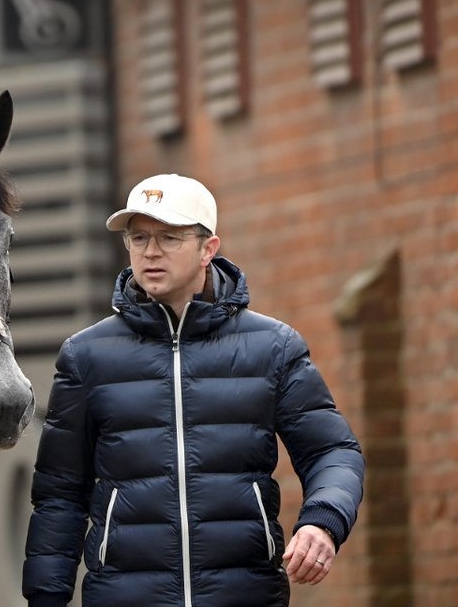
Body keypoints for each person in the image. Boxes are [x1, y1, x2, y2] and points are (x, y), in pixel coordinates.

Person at [22, 174, 365, 607]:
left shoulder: (273, 348)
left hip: (244, 593)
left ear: (208, 249)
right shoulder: (86, 356)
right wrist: (45, 599)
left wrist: (323, 522)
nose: (150, 251)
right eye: (139, 237)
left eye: (169, 237)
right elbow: (60, 495)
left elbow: (333, 451)